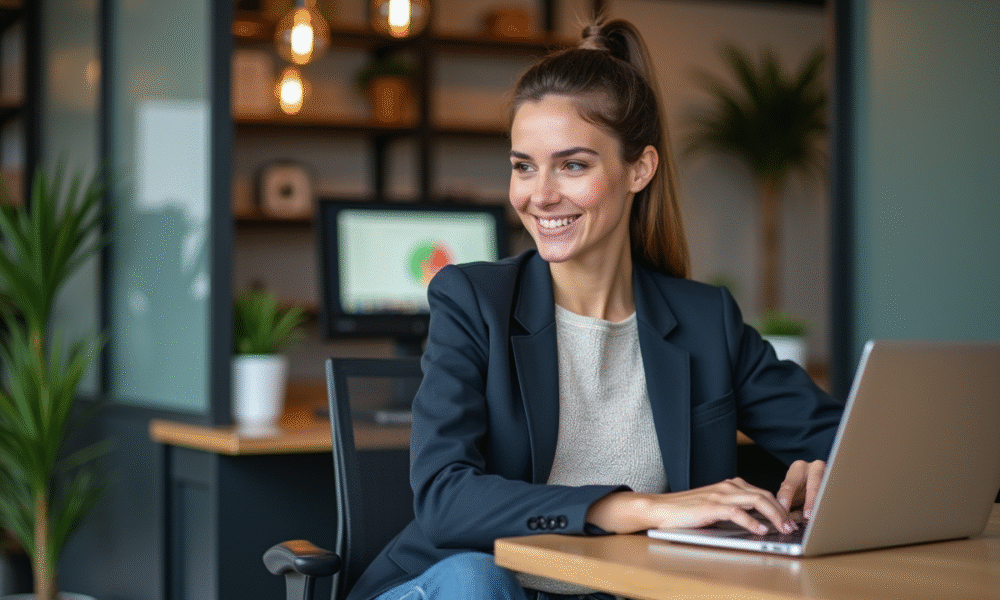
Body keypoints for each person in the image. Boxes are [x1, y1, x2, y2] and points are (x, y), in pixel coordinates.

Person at [349, 18, 843, 600]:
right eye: (523, 165)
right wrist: (636, 508)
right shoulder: (473, 300)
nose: (540, 194)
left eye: (573, 165)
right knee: (476, 581)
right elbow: (445, 499)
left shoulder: (706, 320)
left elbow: (844, 438)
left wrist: (832, 470)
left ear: (640, 169)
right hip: (461, 588)